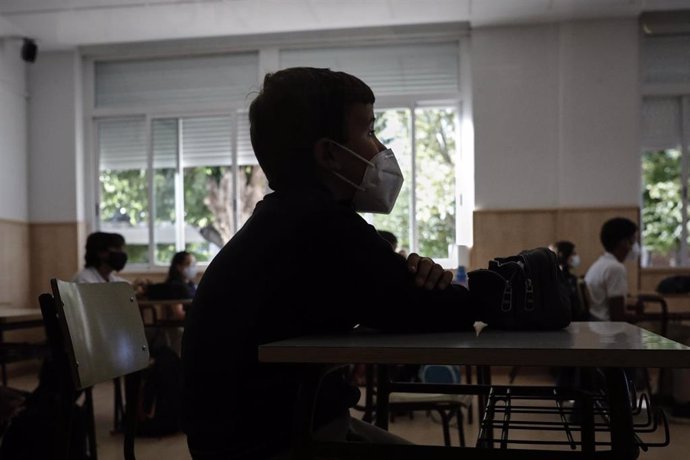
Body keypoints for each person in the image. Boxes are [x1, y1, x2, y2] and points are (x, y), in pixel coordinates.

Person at [181, 67, 479, 459]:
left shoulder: (289, 217)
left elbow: (394, 297)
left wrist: (420, 284)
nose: (380, 148)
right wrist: (485, 289)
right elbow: (439, 310)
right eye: (369, 132)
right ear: (329, 154)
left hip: (258, 433)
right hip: (275, 444)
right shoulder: (321, 226)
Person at [584, 218, 639, 321]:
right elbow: (617, 317)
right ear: (623, 242)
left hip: (596, 324)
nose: (635, 246)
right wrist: (640, 317)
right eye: (633, 240)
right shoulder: (615, 268)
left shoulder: (600, 264)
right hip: (608, 331)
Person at [552, 240, 586, 320]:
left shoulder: (572, 278)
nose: (576, 257)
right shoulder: (563, 278)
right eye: (573, 254)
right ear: (563, 255)